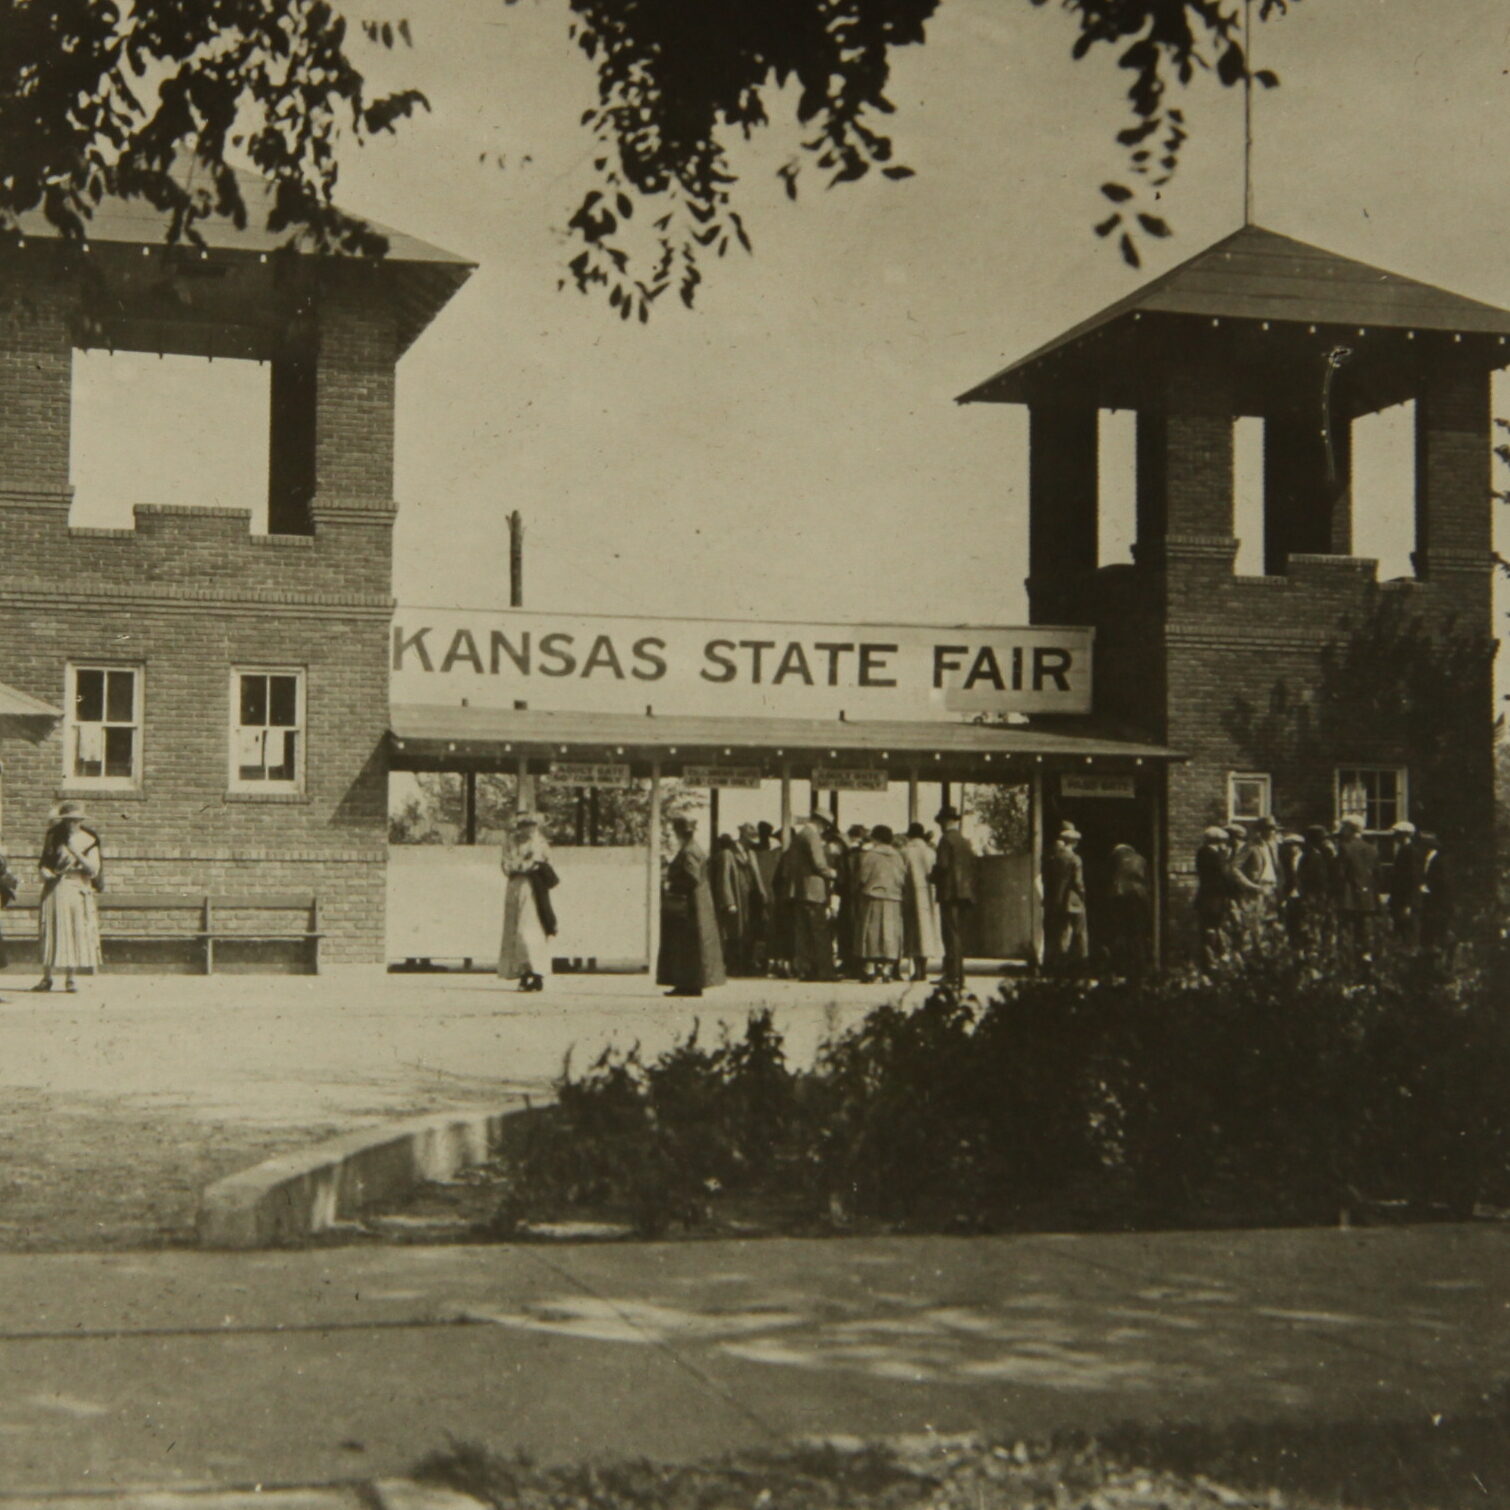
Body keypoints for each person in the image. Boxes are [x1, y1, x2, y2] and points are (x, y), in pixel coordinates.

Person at [35, 801, 103, 992]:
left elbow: (93, 870)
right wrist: (45, 872)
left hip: (77, 887)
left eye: (75, 820)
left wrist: (76, 852)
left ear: (81, 820)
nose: (71, 824)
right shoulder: (53, 837)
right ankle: (46, 978)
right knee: (51, 929)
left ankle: (70, 978)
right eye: (67, 821)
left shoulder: (89, 839)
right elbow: (44, 862)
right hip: (55, 887)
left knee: (73, 931)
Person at [657, 815, 726, 997]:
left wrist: (673, 882)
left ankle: (688, 984)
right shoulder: (693, 848)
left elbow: (692, 877)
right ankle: (688, 984)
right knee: (690, 947)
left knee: (685, 946)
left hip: (689, 906)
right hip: (695, 905)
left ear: (680, 832)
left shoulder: (688, 851)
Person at [498, 811, 556, 991]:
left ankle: (538, 973)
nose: (529, 828)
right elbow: (507, 865)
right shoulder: (511, 842)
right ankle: (523, 973)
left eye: (532, 825)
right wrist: (521, 865)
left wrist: (525, 865)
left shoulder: (540, 843)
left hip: (533, 888)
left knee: (530, 930)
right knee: (515, 930)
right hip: (515, 887)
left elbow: (540, 863)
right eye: (525, 824)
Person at [789, 809, 838, 981]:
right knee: (819, 931)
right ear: (820, 822)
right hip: (814, 890)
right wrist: (832, 873)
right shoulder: (813, 836)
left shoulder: (801, 834)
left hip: (802, 889)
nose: (825, 829)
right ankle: (825, 972)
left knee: (804, 932)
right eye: (825, 825)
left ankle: (807, 970)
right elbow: (818, 863)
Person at [930, 805, 976, 989]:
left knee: (950, 934)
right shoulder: (965, 841)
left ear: (944, 822)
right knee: (959, 934)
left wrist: (931, 877)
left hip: (949, 893)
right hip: (965, 893)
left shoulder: (945, 840)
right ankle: (959, 975)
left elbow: (942, 866)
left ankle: (952, 974)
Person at [856, 824, 906, 982]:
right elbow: (902, 878)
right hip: (893, 897)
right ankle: (887, 968)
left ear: (876, 838)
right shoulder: (897, 856)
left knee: (871, 931)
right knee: (890, 932)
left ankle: (870, 968)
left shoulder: (870, 855)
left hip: (874, 896)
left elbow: (863, 876)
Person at [712, 829, 766, 975]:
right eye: (750, 841)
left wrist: (763, 897)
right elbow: (723, 879)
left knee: (750, 931)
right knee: (735, 932)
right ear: (743, 837)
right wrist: (729, 901)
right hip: (737, 898)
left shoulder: (751, 854)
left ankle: (747, 964)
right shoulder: (728, 854)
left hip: (752, 899)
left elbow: (757, 877)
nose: (751, 844)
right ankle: (733, 966)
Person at [1335, 817, 1382, 968]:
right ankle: (1366, 963)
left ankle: (1349, 965)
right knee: (1365, 933)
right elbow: (1377, 875)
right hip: (1367, 898)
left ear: (1350, 829)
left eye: (1344, 828)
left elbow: (1340, 875)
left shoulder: (1345, 847)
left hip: (1349, 898)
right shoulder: (1372, 849)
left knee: (1348, 932)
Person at [1042, 824, 1089, 971]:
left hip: (1058, 900)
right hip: (1074, 901)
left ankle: (1060, 965)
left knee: (1063, 932)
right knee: (1080, 932)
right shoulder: (1075, 859)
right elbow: (1078, 882)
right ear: (1073, 842)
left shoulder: (1053, 858)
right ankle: (1083, 963)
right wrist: (1083, 895)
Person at [899, 821, 941, 981]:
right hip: (928, 895)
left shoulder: (905, 852)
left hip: (910, 894)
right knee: (927, 930)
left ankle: (916, 970)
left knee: (912, 931)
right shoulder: (931, 852)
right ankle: (923, 968)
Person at [1105, 841, 1151, 978]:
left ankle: (1121, 967)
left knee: (1119, 932)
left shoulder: (1115, 858)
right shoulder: (1141, 859)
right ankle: (1140, 968)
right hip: (1139, 898)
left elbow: (1108, 878)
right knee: (1138, 934)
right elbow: (1147, 882)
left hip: (1119, 897)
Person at [1194, 825, 1234, 970]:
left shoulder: (1204, 853)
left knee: (1210, 928)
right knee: (1212, 928)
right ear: (1217, 841)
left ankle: (1211, 959)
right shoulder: (1211, 855)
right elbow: (1223, 875)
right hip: (1213, 898)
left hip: (1209, 897)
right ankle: (1211, 961)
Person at [1387, 820, 1425, 948]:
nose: (1395, 837)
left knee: (1409, 932)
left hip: (1407, 900)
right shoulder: (1403, 850)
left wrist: (1408, 903)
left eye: (1397, 834)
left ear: (1405, 835)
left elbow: (1413, 879)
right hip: (1400, 899)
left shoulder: (1410, 852)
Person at [1417, 831, 1452, 954]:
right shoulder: (1427, 859)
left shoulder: (1440, 860)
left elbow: (1443, 881)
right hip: (1429, 900)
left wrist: (1428, 887)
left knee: (1437, 928)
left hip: (1438, 901)